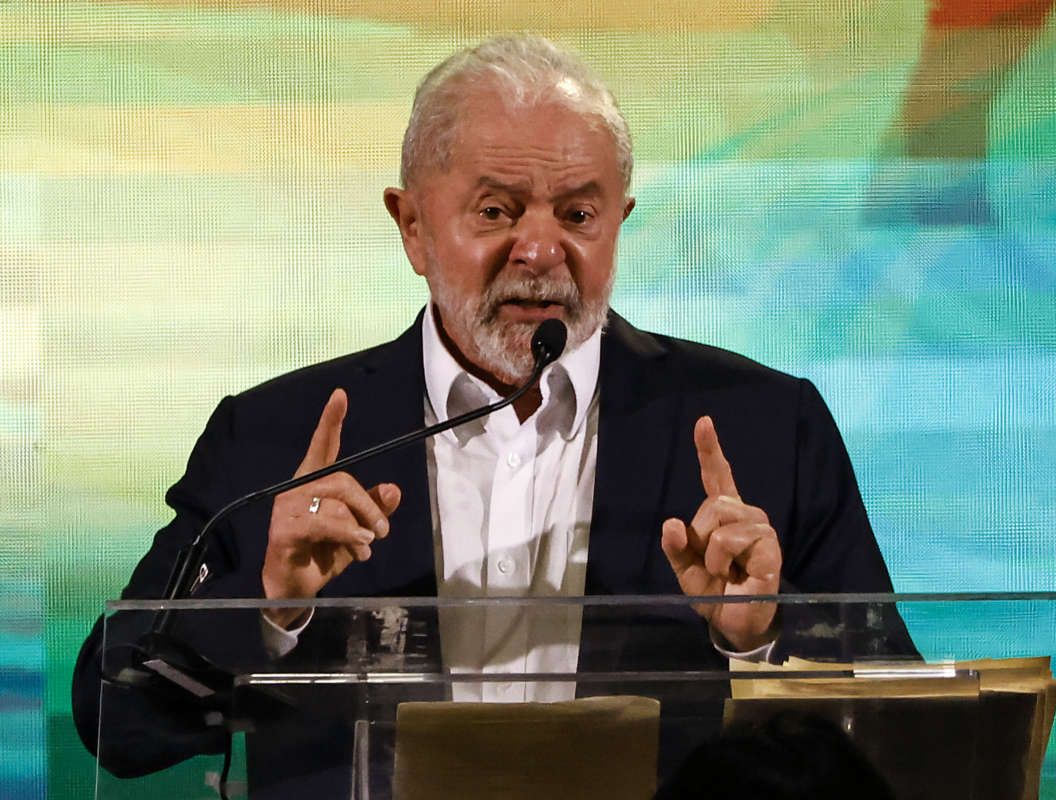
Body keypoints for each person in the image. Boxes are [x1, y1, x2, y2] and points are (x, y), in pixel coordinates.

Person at [73, 34, 905, 794]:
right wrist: (266, 613)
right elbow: (116, 716)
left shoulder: (766, 426)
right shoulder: (271, 439)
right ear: (412, 227)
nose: (541, 250)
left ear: (620, 222)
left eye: (578, 214)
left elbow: (899, 731)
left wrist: (757, 640)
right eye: (497, 211)